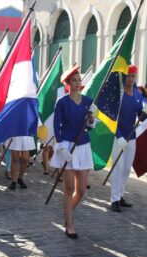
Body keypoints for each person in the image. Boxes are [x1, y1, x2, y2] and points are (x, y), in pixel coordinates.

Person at [50, 65, 97, 239]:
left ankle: (67, 213)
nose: (78, 83)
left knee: (82, 189)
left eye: (79, 80)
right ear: (68, 83)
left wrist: (91, 117)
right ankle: (70, 224)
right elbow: (57, 126)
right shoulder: (61, 102)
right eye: (74, 80)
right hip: (67, 146)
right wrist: (62, 147)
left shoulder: (88, 101)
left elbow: (90, 126)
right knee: (68, 188)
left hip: (83, 146)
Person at [110, 65, 147, 213]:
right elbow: (112, 119)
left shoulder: (137, 94)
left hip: (131, 135)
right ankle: (114, 199)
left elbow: (140, 114)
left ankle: (120, 195)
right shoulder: (119, 95)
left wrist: (144, 112)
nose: (131, 78)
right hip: (118, 137)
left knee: (126, 168)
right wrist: (119, 135)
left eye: (133, 76)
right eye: (128, 76)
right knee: (118, 168)